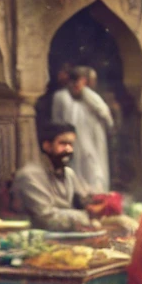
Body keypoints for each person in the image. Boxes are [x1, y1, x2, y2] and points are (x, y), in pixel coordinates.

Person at [14, 122, 107, 232]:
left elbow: (84, 199)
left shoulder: (69, 173)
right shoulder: (29, 175)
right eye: (63, 143)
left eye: (71, 144)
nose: (69, 149)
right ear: (47, 146)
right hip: (37, 237)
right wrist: (87, 217)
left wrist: (102, 202)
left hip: (67, 234)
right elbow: (45, 218)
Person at [51, 65, 115, 194]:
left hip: (93, 142)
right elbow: (58, 120)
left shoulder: (90, 97)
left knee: (94, 168)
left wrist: (85, 92)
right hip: (73, 141)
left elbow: (105, 115)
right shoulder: (62, 97)